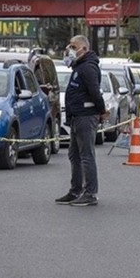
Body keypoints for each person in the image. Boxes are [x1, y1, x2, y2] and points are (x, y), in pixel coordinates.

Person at [57, 35, 108, 207]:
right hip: (77, 116)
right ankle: (75, 190)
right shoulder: (79, 67)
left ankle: (90, 193)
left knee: (86, 155)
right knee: (74, 155)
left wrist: (102, 111)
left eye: (73, 46)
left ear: (84, 49)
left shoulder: (88, 67)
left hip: (86, 116)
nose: (69, 50)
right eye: (69, 46)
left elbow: (94, 92)